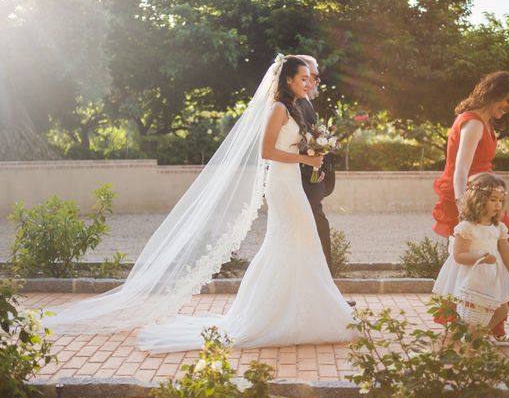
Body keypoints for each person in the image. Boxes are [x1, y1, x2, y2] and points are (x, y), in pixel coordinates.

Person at [45, 55, 356, 352]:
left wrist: (313, 153)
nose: (307, 82)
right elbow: (266, 152)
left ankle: (299, 309)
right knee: (293, 240)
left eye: (308, 78)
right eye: (302, 78)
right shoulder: (278, 109)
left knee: (296, 243)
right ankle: (274, 314)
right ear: (288, 79)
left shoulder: (298, 108)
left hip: (291, 183)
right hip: (281, 184)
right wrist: (305, 157)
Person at [432, 70, 509, 340]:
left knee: (502, 252)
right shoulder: (473, 122)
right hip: (471, 200)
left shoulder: (485, 122)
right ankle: (475, 328)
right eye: (507, 101)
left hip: (486, 196)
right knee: (476, 261)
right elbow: (461, 167)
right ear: (493, 93)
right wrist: (464, 204)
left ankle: (488, 327)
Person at [433, 173, 509, 331]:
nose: (498, 205)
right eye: (493, 200)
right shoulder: (467, 227)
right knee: (465, 309)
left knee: (502, 309)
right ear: (479, 200)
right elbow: (459, 255)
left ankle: (478, 334)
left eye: (501, 200)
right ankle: (466, 337)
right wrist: (480, 258)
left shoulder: (498, 228)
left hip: (490, 276)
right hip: (469, 275)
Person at [295, 55, 335, 273]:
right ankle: (325, 293)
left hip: (310, 181)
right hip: (304, 184)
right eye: (313, 76)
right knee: (319, 233)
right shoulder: (296, 105)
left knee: (313, 236)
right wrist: (311, 165)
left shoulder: (304, 103)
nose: (317, 81)